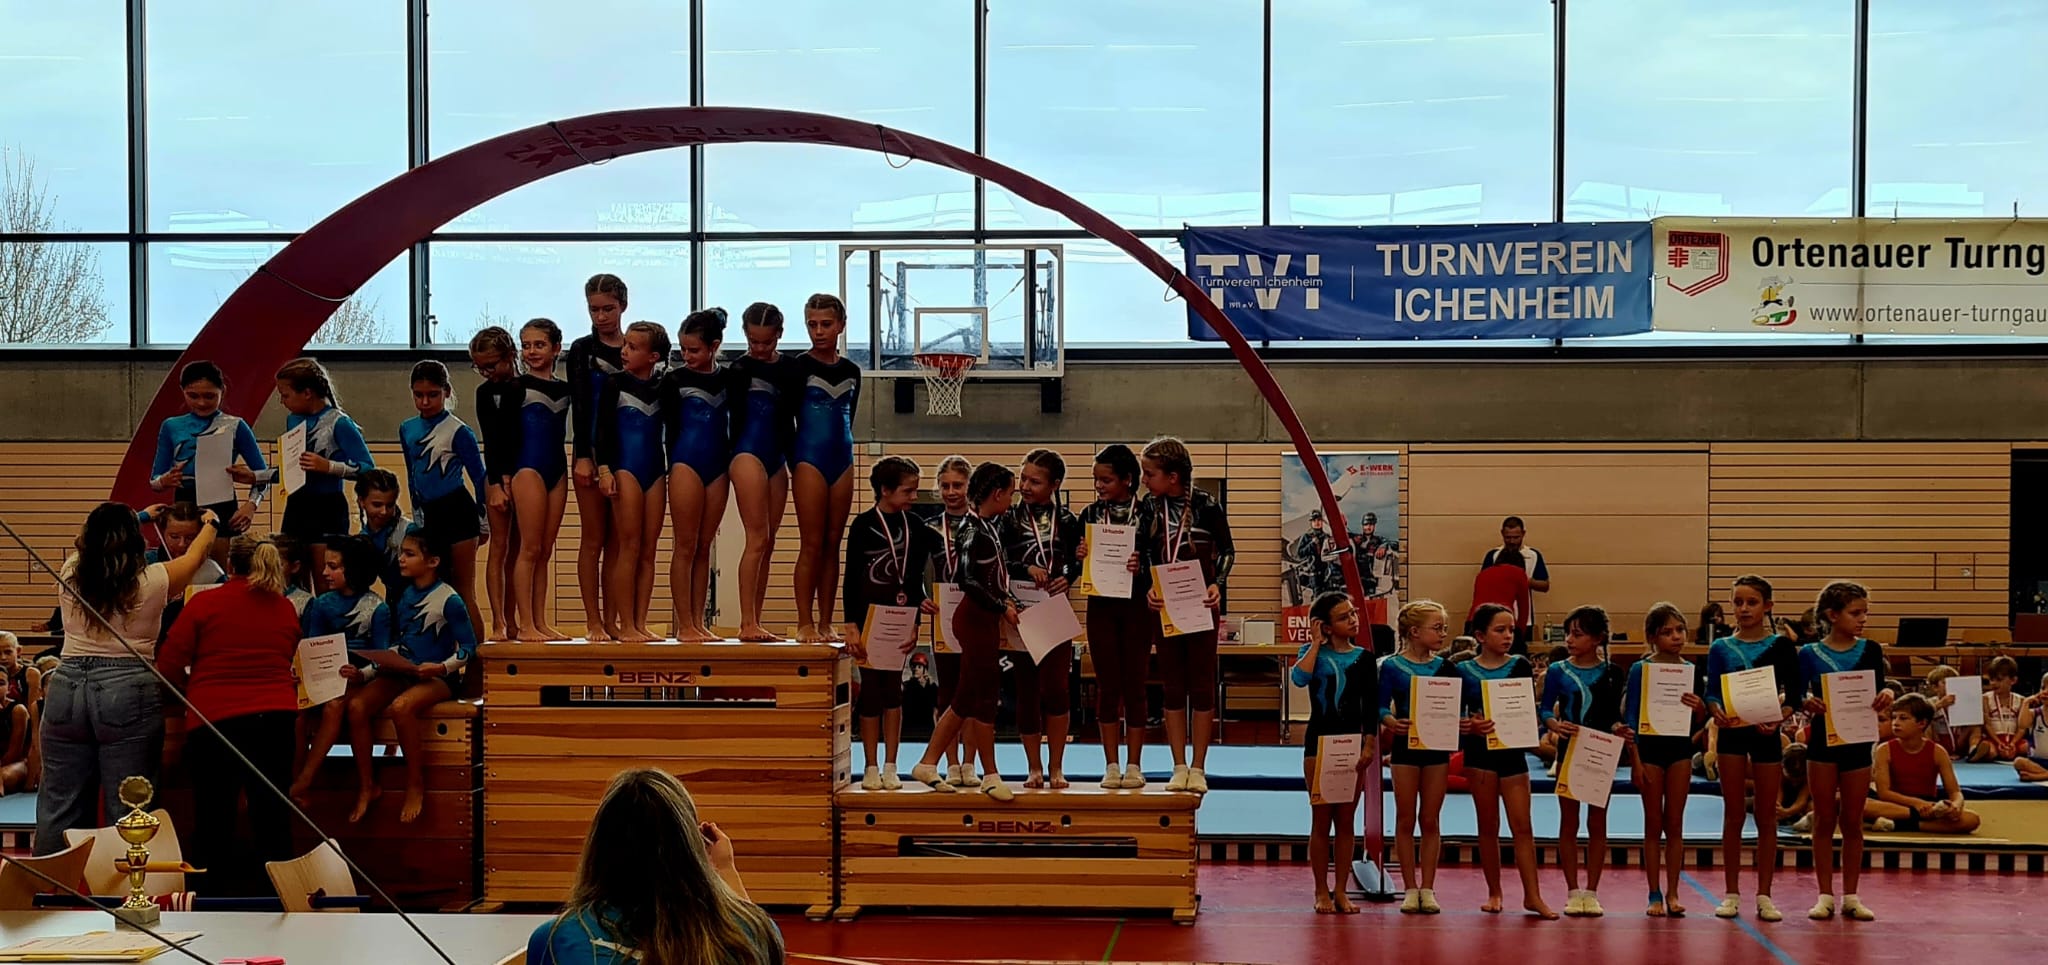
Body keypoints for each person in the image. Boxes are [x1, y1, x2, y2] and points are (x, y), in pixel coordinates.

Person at [36, 502, 218, 854]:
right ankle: (125, 881)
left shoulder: (71, 570)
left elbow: (91, 539)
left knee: (58, 803)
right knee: (130, 805)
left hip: (66, 683)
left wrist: (142, 515)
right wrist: (211, 523)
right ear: (135, 541)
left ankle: (48, 883)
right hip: (127, 686)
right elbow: (195, 557)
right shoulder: (154, 579)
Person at [156, 534, 301, 895]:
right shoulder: (284, 606)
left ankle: (211, 898)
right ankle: (279, 897)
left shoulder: (206, 603)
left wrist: (191, 690)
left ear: (230, 565)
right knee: (273, 815)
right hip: (276, 720)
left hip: (216, 719)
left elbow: (168, 663)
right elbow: (287, 652)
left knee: (214, 815)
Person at [525, 768, 783, 965]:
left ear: (600, 847)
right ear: (691, 848)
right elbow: (756, 935)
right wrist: (725, 870)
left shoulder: (553, 940)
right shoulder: (754, 933)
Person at [345, 531, 477, 824]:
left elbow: (470, 648)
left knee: (401, 707)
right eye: (401, 553)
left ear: (433, 561)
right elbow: (401, 646)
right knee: (356, 706)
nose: (401, 559)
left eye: (409, 554)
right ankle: (367, 784)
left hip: (438, 678)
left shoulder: (449, 599)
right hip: (405, 671)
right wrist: (365, 672)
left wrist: (440, 668)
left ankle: (415, 782)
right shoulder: (404, 595)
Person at [909, 463, 1018, 802]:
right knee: (968, 697)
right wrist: (1001, 606)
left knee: (980, 698)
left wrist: (1005, 599)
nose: (1012, 499)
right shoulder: (973, 531)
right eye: (1010, 493)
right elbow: (967, 580)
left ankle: (977, 771)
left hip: (983, 618)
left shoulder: (988, 526)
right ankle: (936, 763)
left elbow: (994, 577)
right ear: (997, 494)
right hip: (974, 618)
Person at [1441, 603, 1555, 918]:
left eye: (1511, 630)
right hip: (1479, 755)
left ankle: (1533, 895)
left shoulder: (1519, 665)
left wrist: (1528, 728)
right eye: (1500, 630)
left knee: (1523, 826)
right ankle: (1494, 892)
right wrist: (1468, 725)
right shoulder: (1463, 670)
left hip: (1512, 754)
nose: (1508, 636)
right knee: (1488, 826)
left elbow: (1524, 707)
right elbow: (1452, 716)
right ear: (1480, 635)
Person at [1700, 573, 1799, 922]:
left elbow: (1795, 694)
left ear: (1767, 606)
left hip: (1766, 734)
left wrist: (1780, 716)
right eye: (1738, 602)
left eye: (1752, 602)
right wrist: (1715, 710)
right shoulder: (1721, 647)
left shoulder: (1781, 646)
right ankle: (1730, 893)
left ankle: (1765, 894)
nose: (1744, 609)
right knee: (1733, 814)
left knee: (1767, 815)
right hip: (1731, 734)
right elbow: (1711, 692)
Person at [1136, 436, 1232, 795]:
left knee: (1202, 686)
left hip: (1201, 604)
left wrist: (1218, 583)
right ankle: (1178, 765)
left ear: (1173, 477)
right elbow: (1143, 553)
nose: (1144, 480)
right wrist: (1148, 585)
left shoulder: (1207, 506)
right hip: (1165, 606)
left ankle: (1199, 766)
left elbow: (1228, 551)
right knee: (1173, 686)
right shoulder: (1149, 507)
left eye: (1150, 474)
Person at [1796, 581, 1891, 922]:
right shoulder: (1809, 654)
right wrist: (1806, 702)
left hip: (1858, 742)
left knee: (1853, 820)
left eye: (1865, 612)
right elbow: (1796, 695)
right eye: (1855, 613)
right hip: (1823, 742)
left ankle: (1851, 895)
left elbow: (1880, 690)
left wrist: (1888, 695)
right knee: (1824, 819)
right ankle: (1824, 895)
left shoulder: (1870, 650)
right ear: (1832, 615)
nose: (1862, 619)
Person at [845, 457, 941, 791]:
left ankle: (891, 766)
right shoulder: (863, 525)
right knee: (871, 692)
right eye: (908, 490)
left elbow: (914, 579)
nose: (914, 496)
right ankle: (870, 765)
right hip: (870, 619)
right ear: (885, 490)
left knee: (893, 692)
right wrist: (851, 624)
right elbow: (852, 577)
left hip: (900, 618)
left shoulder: (915, 526)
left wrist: (915, 622)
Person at [288, 536, 393, 805]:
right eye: (325, 565)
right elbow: (311, 645)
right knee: (297, 711)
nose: (324, 572)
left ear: (354, 569)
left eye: (333, 567)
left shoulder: (377, 607)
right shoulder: (322, 604)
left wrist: (362, 674)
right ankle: (293, 778)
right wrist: (300, 670)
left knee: (334, 706)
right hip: (325, 675)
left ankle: (306, 780)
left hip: (358, 678)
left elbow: (381, 657)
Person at [1617, 602, 1706, 918]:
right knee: (1653, 823)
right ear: (1653, 637)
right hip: (1650, 751)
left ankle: (1673, 891)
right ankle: (1654, 891)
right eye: (1668, 632)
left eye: (1680, 630)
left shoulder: (1691, 669)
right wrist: (1635, 760)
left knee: (1675, 823)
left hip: (1679, 750)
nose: (1676, 636)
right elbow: (1631, 716)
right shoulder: (1641, 669)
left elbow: (1698, 721)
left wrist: (1699, 708)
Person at [239, 357, 374, 563]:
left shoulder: (339, 423)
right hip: (297, 505)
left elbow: (368, 469)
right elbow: (293, 468)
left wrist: (329, 467)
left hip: (327, 507)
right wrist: (255, 476)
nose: (282, 401)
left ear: (307, 393)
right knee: (290, 572)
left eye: (285, 395)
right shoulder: (293, 420)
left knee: (324, 573)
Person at [1292, 591, 1375, 915]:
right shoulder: (1312, 654)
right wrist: (1315, 643)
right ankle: (1320, 889)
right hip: (1319, 744)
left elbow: (1370, 706)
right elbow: (1299, 679)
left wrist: (1369, 744)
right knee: (1321, 820)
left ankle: (1340, 890)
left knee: (1345, 820)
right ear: (1325, 626)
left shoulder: (1364, 658)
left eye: (1353, 613)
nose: (1353, 620)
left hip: (1352, 745)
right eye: (1344, 617)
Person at [1003, 449, 1082, 790]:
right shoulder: (1008, 518)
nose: (1025, 486)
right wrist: (1025, 568)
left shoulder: (1068, 521)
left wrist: (1070, 575)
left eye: (1034, 481)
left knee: (1057, 690)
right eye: (1022, 478)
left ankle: (1057, 766)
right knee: (1026, 691)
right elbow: (999, 559)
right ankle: (1034, 766)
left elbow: (1076, 560)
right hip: (1021, 610)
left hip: (1054, 610)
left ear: (1055, 484)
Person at [1542, 605, 1625, 918]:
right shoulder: (1557, 671)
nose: (1569, 639)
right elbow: (1545, 709)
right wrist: (1555, 725)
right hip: (1570, 748)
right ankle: (1572, 891)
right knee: (1569, 822)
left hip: (1600, 751)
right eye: (1568, 633)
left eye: (1577, 634)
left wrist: (1620, 728)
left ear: (1598, 638)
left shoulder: (1613, 673)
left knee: (1597, 822)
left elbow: (1611, 715)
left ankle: (1592, 891)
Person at [401, 360, 490, 649]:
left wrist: (484, 522)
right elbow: (411, 475)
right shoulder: (407, 428)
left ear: (447, 392)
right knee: (435, 592)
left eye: (433, 395)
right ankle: (445, 661)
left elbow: (480, 477)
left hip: (459, 513)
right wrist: (417, 514)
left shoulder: (458, 431)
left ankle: (475, 664)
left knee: (462, 592)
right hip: (430, 515)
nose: (425, 402)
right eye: (418, 395)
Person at [594, 321, 671, 643]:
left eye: (633, 347)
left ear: (654, 356)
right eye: (624, 344)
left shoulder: (664, 386)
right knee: (629, 546)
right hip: (624, 468)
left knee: (648, 551)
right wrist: (604, 470)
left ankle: (640, 622)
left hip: (655, 470)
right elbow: (602, 430)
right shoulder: (614, 383)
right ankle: (625, 624)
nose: (624, 351)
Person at [790, 293, 860, 644]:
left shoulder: (851, 371)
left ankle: (826, 621)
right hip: (809, 458)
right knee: (812, 543)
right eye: (812, 325)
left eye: (826, 324)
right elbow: (788, 418)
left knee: (834, 543)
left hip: (842, 458)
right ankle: (804, 621)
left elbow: (851, 415)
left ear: (841, 326)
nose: (818, 331)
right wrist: (794, 459)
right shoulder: (798, 367)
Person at [149, 360, 268, 560]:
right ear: (182, 392)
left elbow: (265, 475)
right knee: (182, 568)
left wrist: (251, 505)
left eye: (210, 396)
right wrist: (165, 480)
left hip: (222, 505)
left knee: (219, 569)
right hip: (184, 506)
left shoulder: (236, 426)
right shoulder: (171, 426)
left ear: (223, 391)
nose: (202, 403)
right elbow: (154, 480)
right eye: (193, 396)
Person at [1080, 444, 1148, 789]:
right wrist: (1079, 554)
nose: (1099, 486)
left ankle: (1134, 764)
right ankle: (1110, 764)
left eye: (1106, 480)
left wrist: (1142, 565)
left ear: (1128, 480)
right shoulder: (1089, 514)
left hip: (1136, 607)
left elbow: (1159, 557)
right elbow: (1073, 563)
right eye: (1096, 479)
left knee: (1135, 684)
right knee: (1107, 686)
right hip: (1101, 607)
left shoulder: (1148, 513)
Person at [729, 302, 797, 643]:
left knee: (769, 542)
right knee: (756, 538)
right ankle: (746, 622)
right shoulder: (738, 369)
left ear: (779, 335)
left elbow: (791, 420)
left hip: (776, 458)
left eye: (766, 342)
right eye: (753, 341)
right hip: (746, 453)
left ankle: (756, 619)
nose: (758, 348)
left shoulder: (790, 368)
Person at [665, 309, 734, 643]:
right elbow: (667, 428)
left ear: (714, 346)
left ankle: (698, 621)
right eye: (683, 349)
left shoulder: (729, 379)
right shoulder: (674, 381)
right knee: (685, 545)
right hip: (685, 463)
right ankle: (684, 624)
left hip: (718, 466)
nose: (687, 356)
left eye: (694, 350)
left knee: (705, 546)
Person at [568, 274, 629, 641]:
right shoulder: (581, 349)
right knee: (593, 539)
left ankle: (613, 619)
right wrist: (582, 455)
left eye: (608, 308)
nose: (601, 316)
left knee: (619, 542)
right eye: (594, 309)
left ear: (623, 305)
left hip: (627, 453)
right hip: (590, 451)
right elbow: (579, 404)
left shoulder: (634, 347)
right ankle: (592, 620)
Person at [1380, 600, 1450, 914]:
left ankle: (1429, 887)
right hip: (1405, 749)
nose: (1443, 634)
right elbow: (1380, 704)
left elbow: (1457, 706)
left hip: (1437, 748)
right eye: (1437, 628)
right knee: (1406, 818)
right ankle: (1410, 887)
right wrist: (1389, 720)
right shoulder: (1392, 666)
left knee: (1431, 819)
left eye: (1444, 628)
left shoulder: (1446, 667)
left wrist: (1463, 722)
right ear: (1414, 632)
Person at [512, 318, 573, 641]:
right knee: (530, 548)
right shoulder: (516, 387)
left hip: (557, 470)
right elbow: (502, 436)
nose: (532, 351)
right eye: (526, 345)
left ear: (556, 348)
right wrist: (501, 479)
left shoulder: (565, 389)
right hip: (527, 469)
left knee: (546, 550)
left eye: (539, 345)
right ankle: (525, 624)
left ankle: (540, 620)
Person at [924, 456, 978, 787]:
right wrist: (921, 597)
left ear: (969, 487)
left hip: (974, 612)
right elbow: (916, 570)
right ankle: (952, 762)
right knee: (947, 690)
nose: (951, 491)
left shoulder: (982, 524)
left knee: (971, 690)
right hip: (943, 612)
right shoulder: (929, 527)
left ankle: (970, 761)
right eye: (945, 486)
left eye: (958, 485)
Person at [470, 326, 525, 641]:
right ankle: (499, 622)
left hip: (524, 473)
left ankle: (516, 620)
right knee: (499, 548)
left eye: (491, 365)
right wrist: (498, 481)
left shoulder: (523, 387)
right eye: (479, 367)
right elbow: (492, 439)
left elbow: (520, 435)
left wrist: (514, 477)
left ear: (510, 356)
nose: (486, 373)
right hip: (496, 474)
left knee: (519, 551)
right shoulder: (484, 393)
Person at [1872, 694, 1981, 834]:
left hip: (1927, 806)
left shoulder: (1938, 751)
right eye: (1894, 718)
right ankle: (1914, 821)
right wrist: (1916, 804)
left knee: (1972, 819)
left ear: (1922, 723)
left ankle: (1899, 825)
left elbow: (1955, 791)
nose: (1895, 723)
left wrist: (1956, 805)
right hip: (1895, 805)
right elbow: (1884, 793)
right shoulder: (1884, 750)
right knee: (1863, 806)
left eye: (1903, 718)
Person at [1480, 517, 1549, 644]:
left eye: (1516, 537)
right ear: (1502, 534)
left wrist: (1523, 581)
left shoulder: (1533, 555)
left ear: (1523, 534)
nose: (1512, 541)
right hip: (1497, 614)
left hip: (1524, 616)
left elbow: (1545, 585)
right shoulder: (1493, 555)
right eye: (1508, 538)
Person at [355, 469, 409, 602]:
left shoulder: (409, 532)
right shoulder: (363, 539)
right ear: (361, 501)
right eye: (377, 505)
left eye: (390, 505)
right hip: (393, 599)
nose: (384, 511)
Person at [1466, 548, 1529, 642]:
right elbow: (1524, 607)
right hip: (1500, 622)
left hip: (1474, 620)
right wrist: (1520, 633)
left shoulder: (1483, 573)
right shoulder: (1519, 573)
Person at [1973, 656, 2026, 762]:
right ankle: (1981, 753)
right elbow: (1987, 725)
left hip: (2013, 739)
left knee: (2026, 747)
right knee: (1991, 750)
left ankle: (2009, 752)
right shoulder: (1986, 698)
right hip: (1993, 739)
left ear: (2013, 680)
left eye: (1999, 680)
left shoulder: (2021, 700)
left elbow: (2021, 728)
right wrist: (1999, 742)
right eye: (1991, 679)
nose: (1993, 683)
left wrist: (2013, 743)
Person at [2012, 672, 2048, 782]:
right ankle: (2044, 773)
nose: (2045, 692)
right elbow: (2022, 724)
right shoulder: (2035, 713)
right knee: (2018, 762)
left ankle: (2041, 776)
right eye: (2043, 688)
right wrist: (2026, 703)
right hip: (2037, 762)